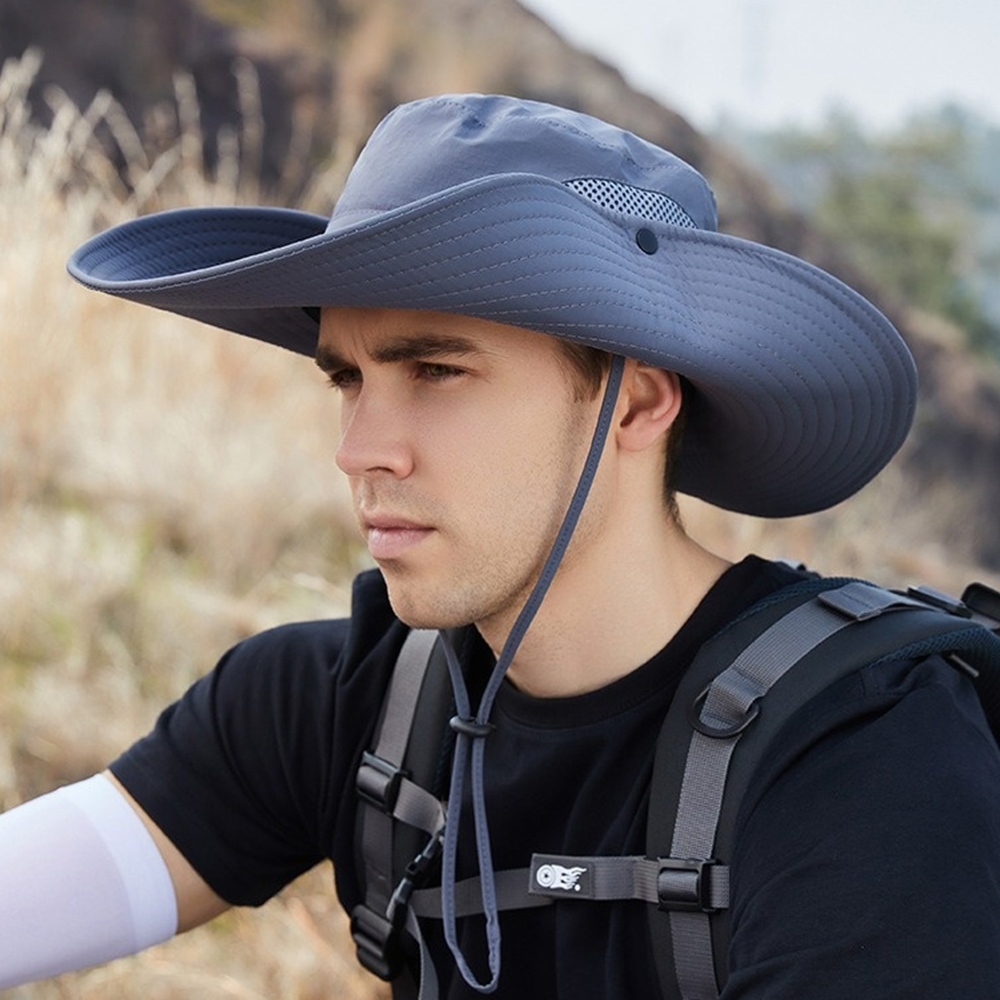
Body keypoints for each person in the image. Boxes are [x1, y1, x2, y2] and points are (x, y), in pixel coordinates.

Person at [2, 92, 999, 999]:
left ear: (635, 403)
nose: (360, 450)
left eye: (436, 371)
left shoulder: (869, 751)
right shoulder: (343, 707)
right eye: (347, 378)